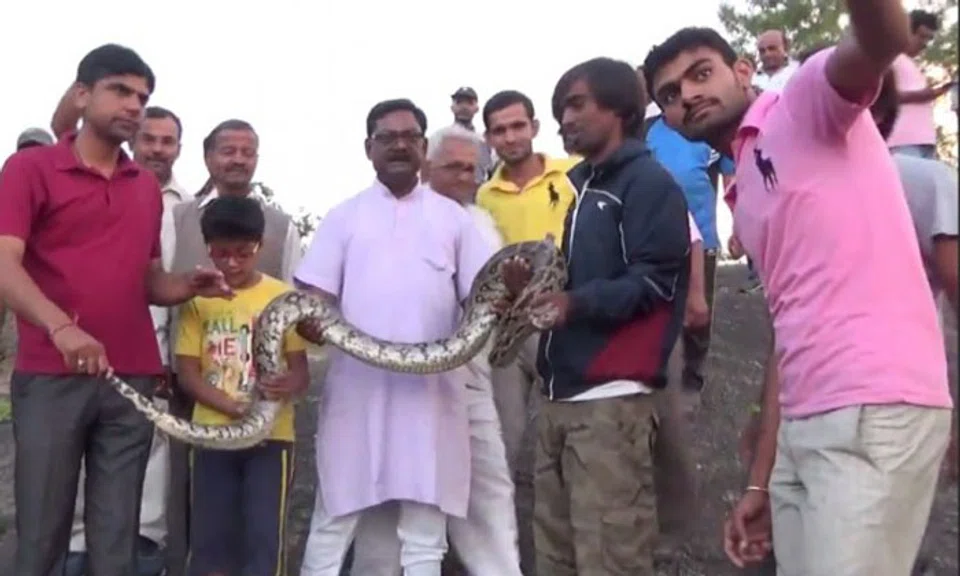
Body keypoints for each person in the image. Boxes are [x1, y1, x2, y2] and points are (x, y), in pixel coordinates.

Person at [643, 8, 952, 574]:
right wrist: (762, 479)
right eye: (669, 93)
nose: (685, 95)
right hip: (805, 421)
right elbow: (787, 332)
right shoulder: (746, 196)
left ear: (742, 71)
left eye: (700, 73)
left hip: (876, 403)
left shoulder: (804, 107)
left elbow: (881, 38)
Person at [0, 43, 231, 576]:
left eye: (143, 97)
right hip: (50, 375)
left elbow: (146, 280)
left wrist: (187, 285)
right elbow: (6, 263)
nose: (134, 105)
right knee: (42, 533)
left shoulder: (144, 189)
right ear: (82, 95)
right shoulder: (30, 168)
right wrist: (60, 326)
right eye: (121, 91)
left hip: (130, 378)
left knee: (117, 537)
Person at [295, 98, 501, 576]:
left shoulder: (455, 219)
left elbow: (481, 298)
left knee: (425, 536)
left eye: (410, 137)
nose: (400, 146)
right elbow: (312, 300)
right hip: (356, 393)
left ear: (424, 149)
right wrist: (308, 320)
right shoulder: (343, 218)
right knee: (334, 520)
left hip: (432, 396)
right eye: (388, 138)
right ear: (369, 149)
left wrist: (510, 288)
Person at [532, 57, 691, 576]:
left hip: (611, 404)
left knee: (612, 559)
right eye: (559, 112)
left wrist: (573, 304)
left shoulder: (648, 184)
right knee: (557, 558)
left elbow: (654, 282)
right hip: (560, 400)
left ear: (621, 107)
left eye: (576, 104)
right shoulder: (581, 193)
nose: (565, 120)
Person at [349, 123, 522, 576]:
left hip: (470, 379)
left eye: (474, 168)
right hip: (399, 381)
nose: (467, 177)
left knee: (487, 490)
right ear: (427, 167)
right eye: (454, 167)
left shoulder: (481, 222)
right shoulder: (388, 216)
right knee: (388, 494)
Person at [163, 118, 303, 576]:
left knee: (265, 538)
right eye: (221, 253)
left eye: (243, 253)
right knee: (208, 538)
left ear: (260, 246)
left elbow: (299, 366)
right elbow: (187, 370)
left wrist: (287, 385)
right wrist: (225, 402)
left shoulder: (281, 295)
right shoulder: (198, 296)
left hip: (272, 437)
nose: (232, 261)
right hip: (210, 432)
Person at [60, 104, 188, 576]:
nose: (157, 148)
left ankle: (145, 550)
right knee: (77, 455)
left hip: (156, 353)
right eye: (149, 138)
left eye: (167, 141)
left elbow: (172, 286)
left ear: (178, 147)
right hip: (91, 345)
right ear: (134, 139)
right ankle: (76, 549)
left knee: (150, 462)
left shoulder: (187, 207)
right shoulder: (98, 185)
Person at [474, 88, 579, 574]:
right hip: (504, 333)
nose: (510, 136)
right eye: (500, 129)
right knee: (502, 442)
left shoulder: (573, 174)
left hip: (563, 324)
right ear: (488, 137)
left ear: (535, 127)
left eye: (518, 125)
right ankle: (497, 553)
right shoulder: (481, 196)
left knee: (569, 439)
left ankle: (570, 548)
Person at [887, 9, 953, 159]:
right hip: (902, 141)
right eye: (921, 36)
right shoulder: (889, 58)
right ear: (905, 32)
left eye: (929, 39)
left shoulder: (911, 64)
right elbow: (879, 96)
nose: (924, 44)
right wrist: (920, 96)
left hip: (925, 141)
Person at [450, 86, 495, 182]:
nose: (464, 107)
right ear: (452, 107)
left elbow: (492, 171)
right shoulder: (440, 139)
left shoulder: (484, 141)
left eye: (469, 103)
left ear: (477, 108)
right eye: (459, 102)